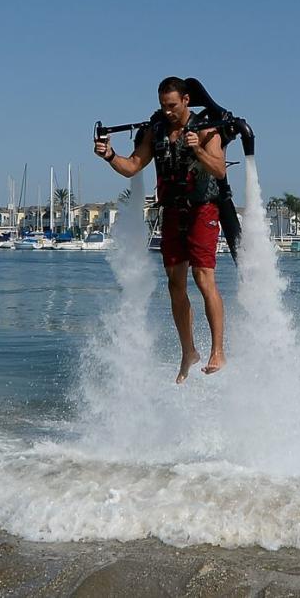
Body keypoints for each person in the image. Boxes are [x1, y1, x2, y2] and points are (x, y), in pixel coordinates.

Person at [94, 76, 230, 383]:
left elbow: (220, 170)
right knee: (174, 284)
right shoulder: (155, 132)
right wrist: (110, 156)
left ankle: (218, 350)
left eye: (172, 105)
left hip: (202, 209)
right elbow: (132, 166)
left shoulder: (206, 130)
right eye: (162, 106)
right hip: (172, 212)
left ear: (185, 100)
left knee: (203, 276)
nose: (167, 111)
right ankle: (189, 351)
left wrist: (198, 150)